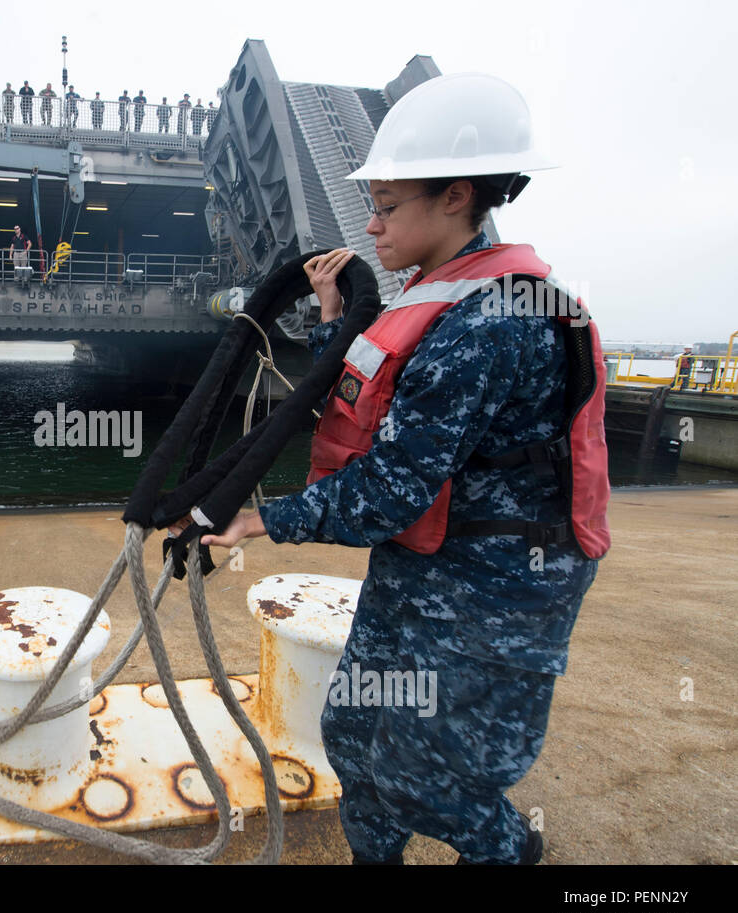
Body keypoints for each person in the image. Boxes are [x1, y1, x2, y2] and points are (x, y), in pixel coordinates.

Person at [181, 74, 609, 866]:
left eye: (387, 205)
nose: (369, 224)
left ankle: (513, 852)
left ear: (455, 197)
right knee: (352, 736)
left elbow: (389, 487)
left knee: (428, 778)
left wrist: (259, 517)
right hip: (424, 565)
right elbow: (366, 402)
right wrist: (335, 324)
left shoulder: (493, 323)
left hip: (498, 586)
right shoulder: (438, 294)